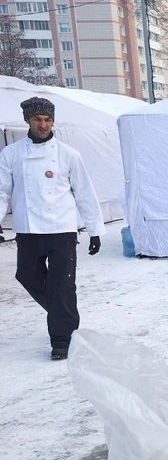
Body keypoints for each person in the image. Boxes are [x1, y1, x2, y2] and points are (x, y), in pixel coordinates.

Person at [0, 97, 104, 360]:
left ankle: (62, 341)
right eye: (37, 119)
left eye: (47, 119)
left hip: (61, 230)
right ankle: (62, 313)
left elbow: (84, 192)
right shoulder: (11, 154)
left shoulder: (68, 154)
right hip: (28, 229)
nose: (43, 124)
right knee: (27, 276)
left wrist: (94, 230)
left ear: (53, 121)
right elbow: (2, 191)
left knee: (62, 286)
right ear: (27, 121)